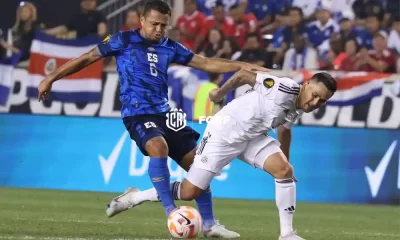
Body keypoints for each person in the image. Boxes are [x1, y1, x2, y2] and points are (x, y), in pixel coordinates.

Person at [37, 0, 267, 238]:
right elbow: (87, 58)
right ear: (142, 20)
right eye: (154, 24)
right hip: (137, 112)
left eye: (163, 25)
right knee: (159, 147)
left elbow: (207, 63)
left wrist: (243, 66)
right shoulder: (122, 40)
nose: (158, 29)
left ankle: (209, 224)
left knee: (200, 165)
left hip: (165, 113)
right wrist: (51, 77)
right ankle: (172, 213)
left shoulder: (170, 46)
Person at [110, 70, 337, 240]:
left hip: (252, 138)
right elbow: (244, 75)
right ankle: (135, 196)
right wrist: (220, 93)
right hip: (223, 134)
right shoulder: (283, 88)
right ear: (306, 84)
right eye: (315, 95)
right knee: (189, 192)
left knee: (285, 171)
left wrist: (285, 160)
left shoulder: (298, 105)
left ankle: (287, 234)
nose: (316, 102)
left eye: (322, 101)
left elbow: (284, 131)